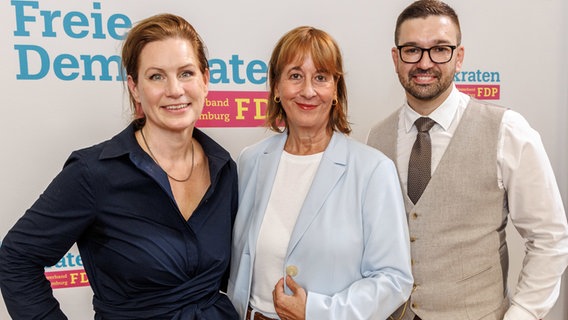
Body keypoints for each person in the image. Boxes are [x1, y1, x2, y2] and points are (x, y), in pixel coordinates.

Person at [0, 13, 239, 319]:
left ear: (205, 80)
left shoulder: (225, 169)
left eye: (186, 73)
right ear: (135, 88)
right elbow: (16, 258)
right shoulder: (93, 173)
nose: (175, 90)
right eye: (156, 76)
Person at [366, 1, 568, 319]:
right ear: (396, 58)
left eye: (440, 49)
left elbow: (549, 237)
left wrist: (524, 313)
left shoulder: (507, 130)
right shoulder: (377, 138)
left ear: (459, 57)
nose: (425, 62)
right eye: (412, 50)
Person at [227, 26, 413, 320]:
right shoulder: (250, 162)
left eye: (321, 77)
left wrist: (316, 312)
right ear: (276, 87)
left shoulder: (373, 170)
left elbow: (393, 279)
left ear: (336, 90)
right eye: (295, 76)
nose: (308, 91)